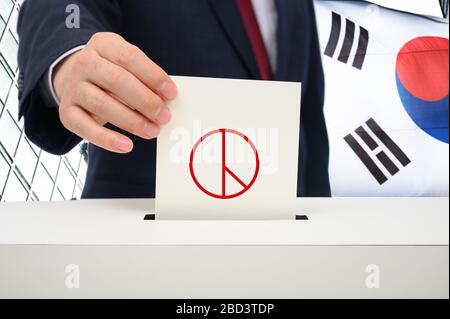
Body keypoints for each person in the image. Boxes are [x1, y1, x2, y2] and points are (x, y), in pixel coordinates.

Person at [17, 0, 331, 199]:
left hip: (280, 241)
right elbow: (65, 7)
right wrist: (71, 53)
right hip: (143, 238)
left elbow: (308, 123)